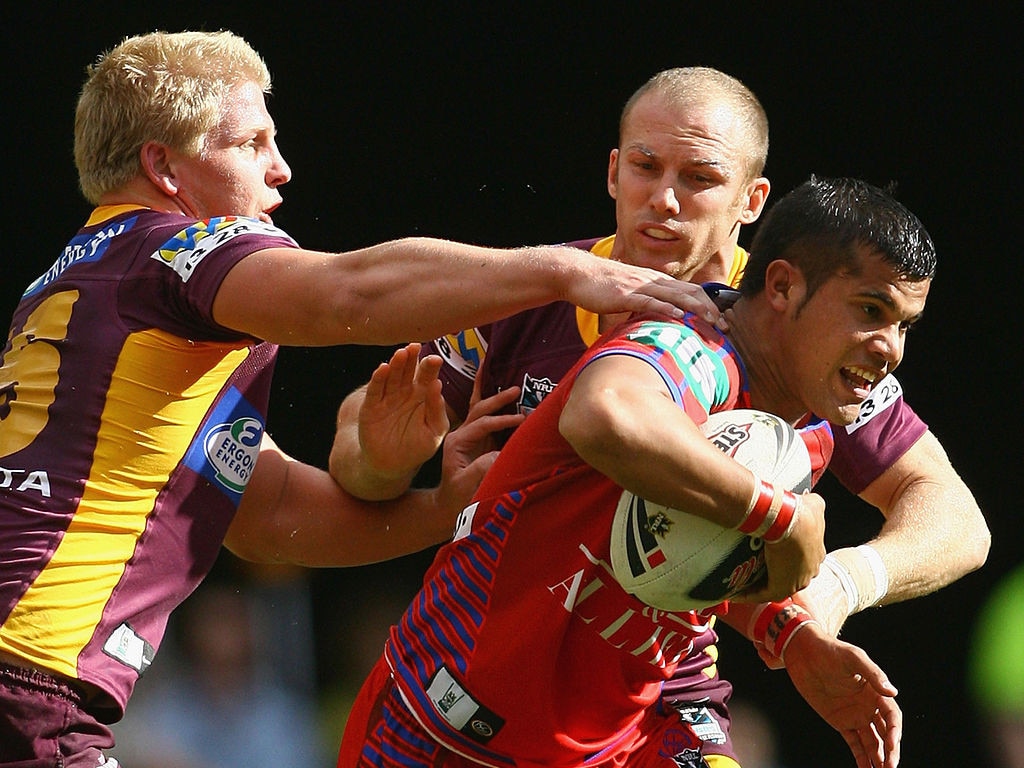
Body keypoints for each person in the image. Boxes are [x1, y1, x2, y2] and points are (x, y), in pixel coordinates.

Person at [0, 32, 722, 766]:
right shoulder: (175, 251)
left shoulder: (82, 287)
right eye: (252, 143)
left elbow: (268, 517)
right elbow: (347, 292)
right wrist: (565, 273)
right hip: (29, 677)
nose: (281, 168)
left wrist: (445, 509)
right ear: (164, 168)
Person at [330, 67, 988, 763]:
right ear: (613, 173)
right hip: (468, 700)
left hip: (655, 699)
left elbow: (953, 517)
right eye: (646, 167)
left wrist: (823, 593)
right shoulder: (539, 291)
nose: (665, 200)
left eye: (700, 177)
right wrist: (387, 460)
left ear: (751, 200)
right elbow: (366, 461)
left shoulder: (799, 339)